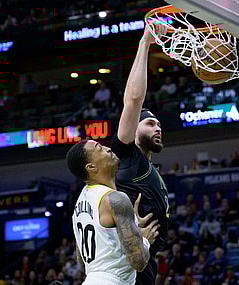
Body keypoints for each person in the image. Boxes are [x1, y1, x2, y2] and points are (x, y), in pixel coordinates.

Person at [110, 23, 169, 285]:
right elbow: (134, 100)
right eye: (151, 123)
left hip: (146, 259)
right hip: (129, 261)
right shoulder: (126, 156)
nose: (158, 128)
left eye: (159, 125)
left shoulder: (150, 168)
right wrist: (146, 40)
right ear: (134, 128)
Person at [66, 139, 159, 285]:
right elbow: (139, 261)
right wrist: (145, 240)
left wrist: (132, 224)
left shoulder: (79, 204)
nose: (108, 148)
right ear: (91, 167)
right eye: (100, 148)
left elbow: (81, 260)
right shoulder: (115, 199)